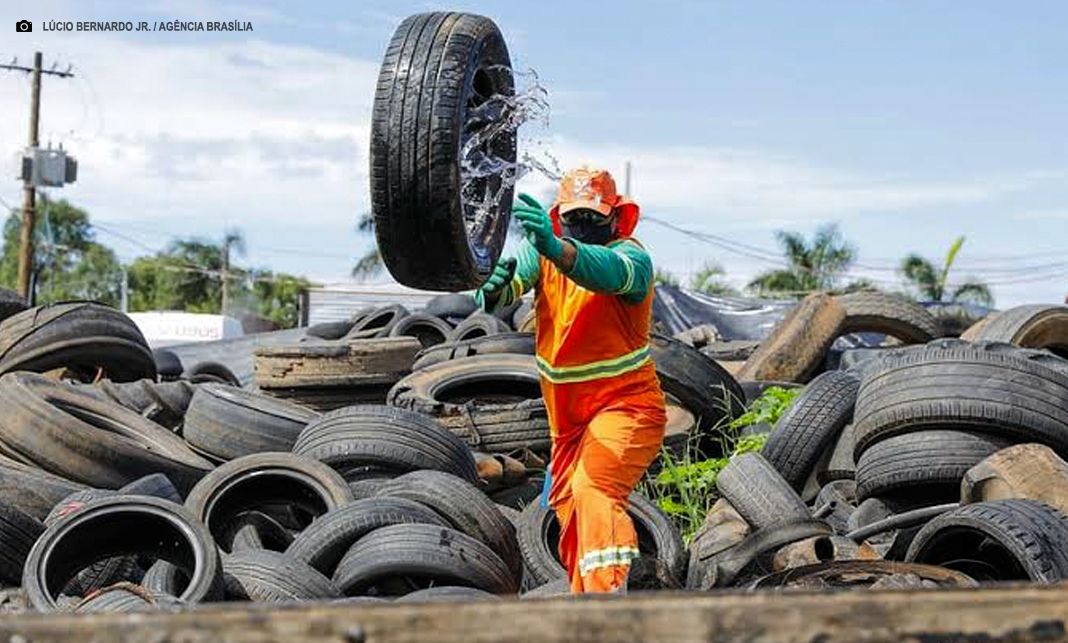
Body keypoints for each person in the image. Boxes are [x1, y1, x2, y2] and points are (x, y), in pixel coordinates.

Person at [475, 166, 667, 593]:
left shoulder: (632, 258)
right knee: (568, 508)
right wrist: (491, 288)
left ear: (617, 217)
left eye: (594, 217)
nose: (584, 226)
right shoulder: (542, 254)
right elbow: (512, 284)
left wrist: (555, 246)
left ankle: (607, 603)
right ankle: (585, 603)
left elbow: (603, 272)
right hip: (568, 424)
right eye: (575, 218)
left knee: (594, 488)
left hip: (626, 408)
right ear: (560, 216)